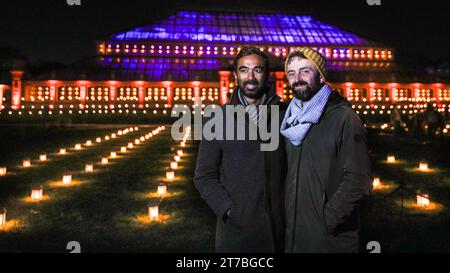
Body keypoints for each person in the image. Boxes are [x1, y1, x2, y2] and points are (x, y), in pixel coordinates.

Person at [194, 46, 287, 252]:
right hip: (236, 232)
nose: (250, 76)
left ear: (267, 75)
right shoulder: (217, 118)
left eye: (258, 70)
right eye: (244, 70)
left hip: (278, 230)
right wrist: (227, 210)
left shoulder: (284, 116)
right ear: (235, 75)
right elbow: (203, 175)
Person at [281, 48, 373, 253]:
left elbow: (359, 179)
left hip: (329, 239)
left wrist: (326, 220)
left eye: (305, 71)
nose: (298, 79)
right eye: (292, 73)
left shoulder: (343, 117)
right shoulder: (289, 119)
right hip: (295, 233)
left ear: (321, 75)